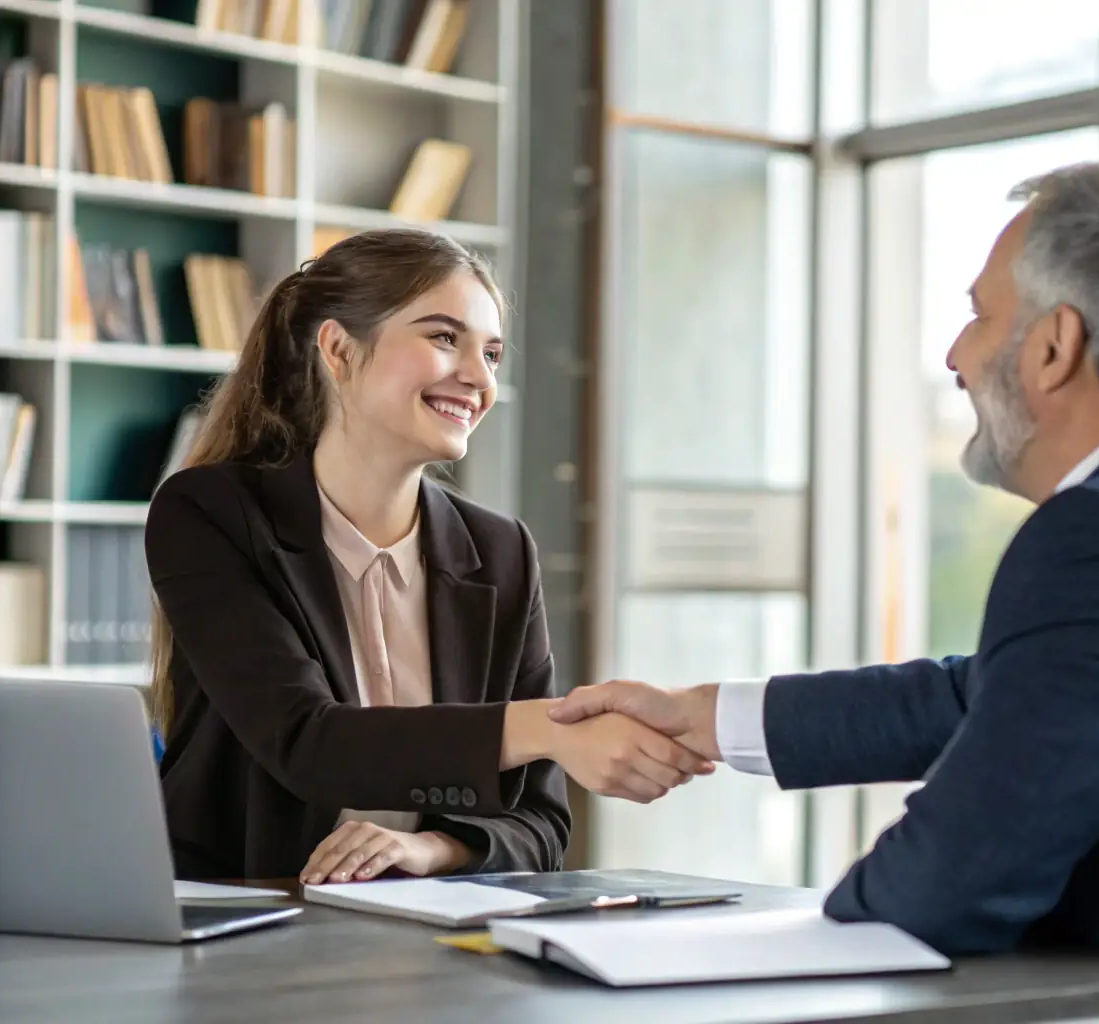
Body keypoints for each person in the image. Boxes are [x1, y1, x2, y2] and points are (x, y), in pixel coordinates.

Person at [551, 160, 1099, 1023]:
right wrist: (706, 713)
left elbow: (937, 892)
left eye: (978, 316)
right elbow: (997, 694)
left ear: (1054, 347)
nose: (954, 355)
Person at [146, 229, 712, 885]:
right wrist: (553, 729)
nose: (478, 378)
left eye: (492, 353)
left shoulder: (500, 553)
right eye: (445, 338)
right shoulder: (211, 513)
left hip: (427, 931)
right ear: (338, 348)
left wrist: (434, 850)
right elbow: (307, 743)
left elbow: (540, 824)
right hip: (244, 919)